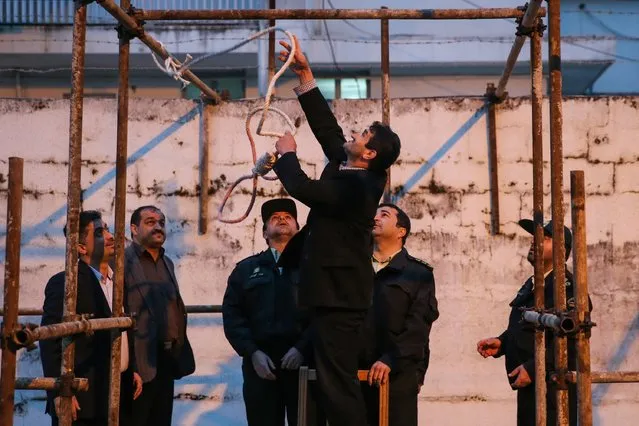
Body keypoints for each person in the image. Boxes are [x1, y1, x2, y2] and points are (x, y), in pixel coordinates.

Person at [273, 35, 401, 426]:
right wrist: (306, 76)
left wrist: (287, 153)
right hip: (332, 294)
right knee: (332, 380)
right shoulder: (351, 167)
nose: (353, 135)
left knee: (335, 382)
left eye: (361, 135)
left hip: (340, 296)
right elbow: (329, 131)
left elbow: (303, 189)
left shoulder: (359, 185)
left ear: (370, 153)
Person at [476, 219, 591, 426]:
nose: (534, 242)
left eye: (545, 238)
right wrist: (503, 342)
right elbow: (526, 324)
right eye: (534, 237)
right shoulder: (536, 283)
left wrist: (533, 368)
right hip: (531, 384)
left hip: (554, 388)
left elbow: (571, 341)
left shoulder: (567, 289)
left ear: (561, 250)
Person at [40, 210, 142, 426]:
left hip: (117, 390)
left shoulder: (117, 282)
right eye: (98, 233)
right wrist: (59, 391)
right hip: (84, 399)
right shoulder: (67, 283)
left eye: (106, 229)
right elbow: (49, 340)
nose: (109, 236)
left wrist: (130, 367)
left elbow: (122, 332)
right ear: (81, 247)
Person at [223, 198, 312, 426]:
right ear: (264, 232)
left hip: (304, 363)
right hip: (260, 364)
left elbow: (324, 315)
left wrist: (302, 348)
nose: (282, 219)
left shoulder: (313, 267)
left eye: (288, 217)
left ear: (298, 229)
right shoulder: (245, 270)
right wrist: (252, 352)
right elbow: (233, 317)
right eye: (275, 218)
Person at [360, 204, 439, 426]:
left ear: (401, 231)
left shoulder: (418, 273)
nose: (375, 218)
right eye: (374, 214)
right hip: (356, 372)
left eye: (383, 215)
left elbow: (419, 325)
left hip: (398, 373)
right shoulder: (355, 267)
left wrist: (390, 359)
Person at [124, 205, 195, 426]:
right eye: (150, 222)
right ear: (134, 229)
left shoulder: (168, 263)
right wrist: (131, 365)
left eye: (162, 223)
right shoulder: (122, 263)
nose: (158, 227)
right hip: (139, 365)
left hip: (166, 361)